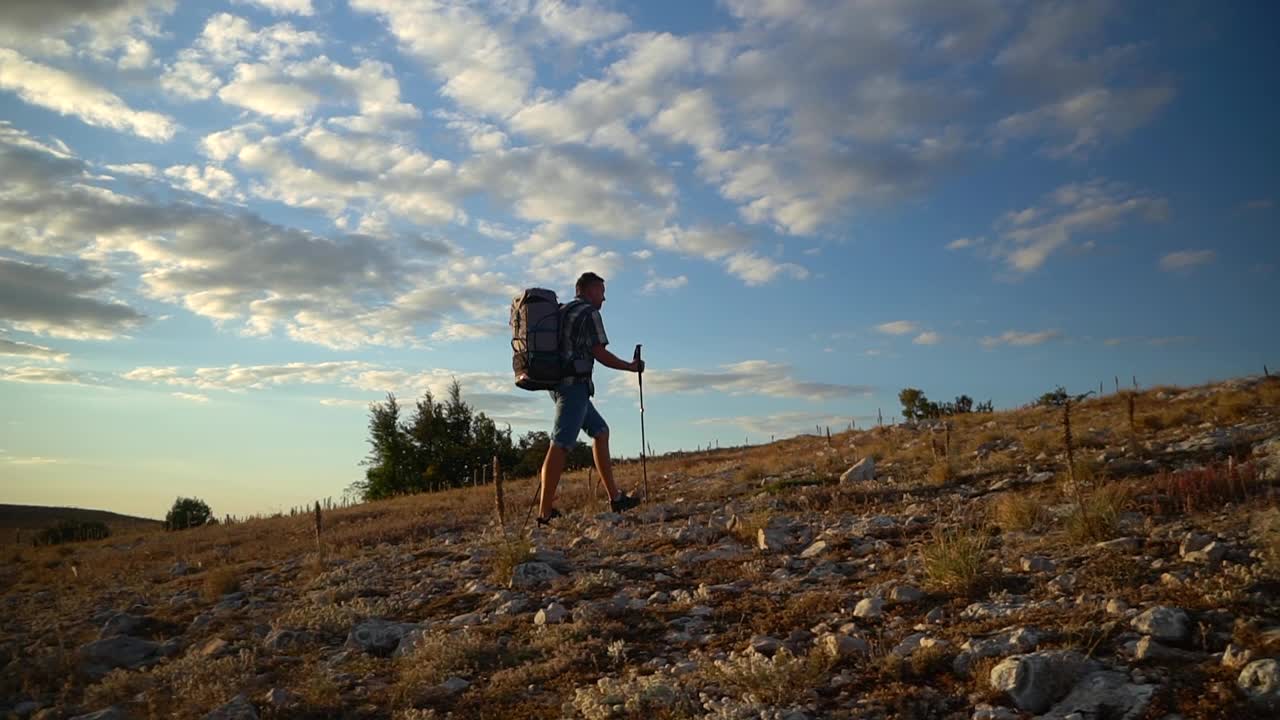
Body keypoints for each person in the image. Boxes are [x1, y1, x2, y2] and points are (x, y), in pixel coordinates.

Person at [537, 272, 644, 526]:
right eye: (600, 291)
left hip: (562, 385)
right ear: (587, 289)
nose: (604, 297)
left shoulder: (564, 310)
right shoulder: (588, 313)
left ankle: (615, 498)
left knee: (600, 431)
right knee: (561, 443)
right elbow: (599, 353)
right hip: (573, 386)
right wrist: (631, 367)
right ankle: (544, 514)